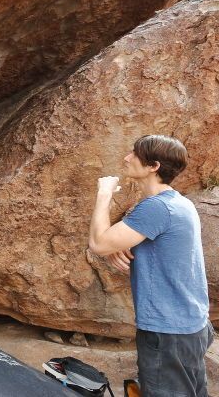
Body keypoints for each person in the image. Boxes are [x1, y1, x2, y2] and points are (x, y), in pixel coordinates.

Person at [88, 135, 213, 397]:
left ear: (153, 166)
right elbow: (143, 242)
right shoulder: (178, 203)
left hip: (167, 332)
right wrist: (119, 246)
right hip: (190, 325)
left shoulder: (156, 209)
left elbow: (98, 244)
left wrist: (103, 194)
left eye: (134, 154)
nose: (126, 158)